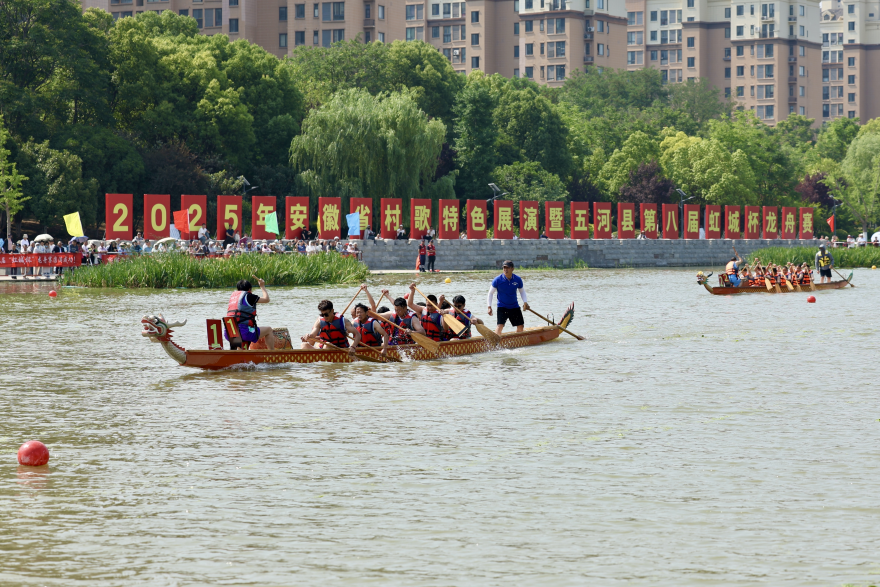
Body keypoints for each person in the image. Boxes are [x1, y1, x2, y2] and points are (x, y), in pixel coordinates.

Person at [225, 278, 276, 350]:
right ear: (249, 289)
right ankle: (272, 353)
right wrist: (262, 286)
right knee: (269, 330)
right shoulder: (249, 296)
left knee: (241, 332)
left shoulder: (233, 297)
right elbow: (266, 299)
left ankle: (240, 354)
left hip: (228, 333)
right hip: (243, 333)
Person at [487, 260, 529, 334]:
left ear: (512, 269)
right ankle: (495, 340)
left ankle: (516, 339)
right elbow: (490, 293)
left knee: (520, 326)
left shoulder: (517, 279)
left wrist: (525, 302)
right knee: (500, 326)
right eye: (504, 268)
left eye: (508, 268)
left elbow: (522, 291)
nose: (505, 270)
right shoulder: (497, 280)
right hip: (502, 307)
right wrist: (489, 307)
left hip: (514, 306)